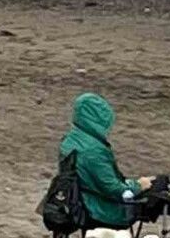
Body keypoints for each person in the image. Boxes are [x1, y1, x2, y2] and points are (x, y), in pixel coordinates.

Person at [59, 93, 156, 230]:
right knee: (157, 194)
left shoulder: (70, 139)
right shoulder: (94, 151)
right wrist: (138, 186)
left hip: (76, 201)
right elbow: (114, 190)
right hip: (99, 211)